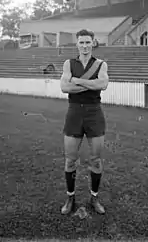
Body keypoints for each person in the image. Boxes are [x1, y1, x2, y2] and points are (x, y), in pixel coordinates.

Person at [60, 29, 109, 215]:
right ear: (77, 44)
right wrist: (90, 83)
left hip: (94, 114)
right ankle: (70, 198)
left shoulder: (101, 64)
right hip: (74, 113)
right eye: (81, 42)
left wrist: (76, 81)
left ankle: (94, 197)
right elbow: (64, 87)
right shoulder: (68, 63)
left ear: (93, 43)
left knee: (95, 160)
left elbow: (102, 85)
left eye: (88, 42)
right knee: (70, 160)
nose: (85, 46)